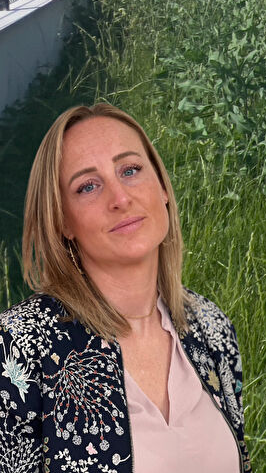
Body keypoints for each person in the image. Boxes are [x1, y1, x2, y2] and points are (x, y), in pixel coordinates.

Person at [0, 103, 249, 473]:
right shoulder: (17, 346)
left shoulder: (210, 326)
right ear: (63, 220)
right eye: (88, 186)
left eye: (130, 170)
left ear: (162, 187)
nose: (119, 198)